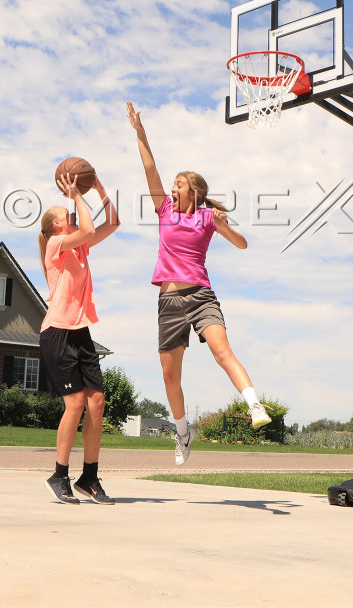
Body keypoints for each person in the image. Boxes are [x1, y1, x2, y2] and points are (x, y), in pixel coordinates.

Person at [126, 101, 271, 466]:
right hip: (170, 301)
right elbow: (149, 166)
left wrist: (222, 225)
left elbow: (242, 244)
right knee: (169, 375)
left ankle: (254, 404)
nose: (172, 188)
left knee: (223, 352)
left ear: (194, 192)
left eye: (179, 185)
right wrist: (139, 132)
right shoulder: (164, 210)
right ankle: (182, 431)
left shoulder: (208, 217)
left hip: (201, 295)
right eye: (173, 184)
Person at [38, 170, 119, 504]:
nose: (71, 213)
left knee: (96, 403)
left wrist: (98, 187)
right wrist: (75, 196)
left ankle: (89, 477)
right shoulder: (57, 245)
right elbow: (86, 227)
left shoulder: (80, 248)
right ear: (57, 226)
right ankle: (59, 475)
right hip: (57, 333)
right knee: (74, 404)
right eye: (66, 214)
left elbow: (112, 223)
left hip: (80, 332)